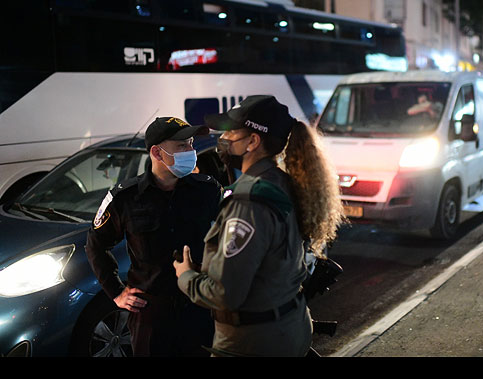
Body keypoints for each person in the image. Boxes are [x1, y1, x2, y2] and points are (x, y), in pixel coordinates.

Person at [174, 95, 344, 357]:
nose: (224, 138)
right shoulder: (283, 184)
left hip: (254, 343)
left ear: (253, 141)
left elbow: (225, 294)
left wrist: (185, 276)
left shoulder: (249, 202)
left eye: (231, 132)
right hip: (289, 327)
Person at [85, 116, 222, 356]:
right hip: (151, 316)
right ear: (157, 153)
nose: (191, 150)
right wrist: (116, 291)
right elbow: (95, 245)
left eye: (190, 143)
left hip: (200, 308)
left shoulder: (209, 190)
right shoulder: (124, 198)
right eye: (181, 145)